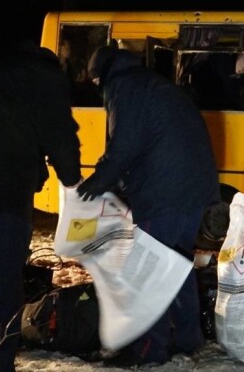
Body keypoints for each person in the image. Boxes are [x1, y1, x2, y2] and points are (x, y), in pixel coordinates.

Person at [76, 45, 220, 367]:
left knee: (149, 271)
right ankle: (188, 340)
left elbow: (124, 145)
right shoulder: (151, 83)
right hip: (194, 189)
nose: (98, 88)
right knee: (176, 264)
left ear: (104, 73)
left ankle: (147, 351)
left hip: (164, 192)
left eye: (97, 81)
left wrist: (97, 183)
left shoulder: (124, 88)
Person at [0, 40, 82, 372]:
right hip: (3, 198)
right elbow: (60, 132)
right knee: (0, 287)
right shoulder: (44, 77)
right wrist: (72, 180)